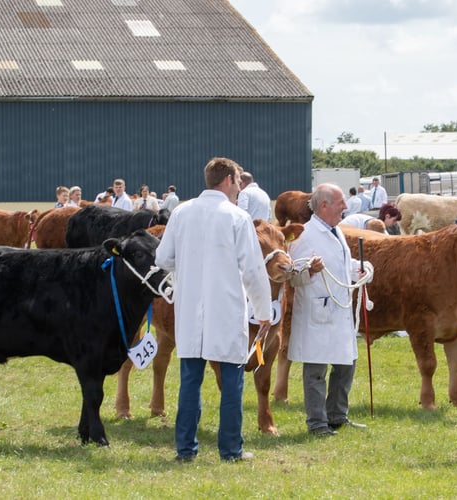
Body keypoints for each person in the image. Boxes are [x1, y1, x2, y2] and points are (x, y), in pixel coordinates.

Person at [155, 157, 272, 463]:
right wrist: (264, 310)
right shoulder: (237, 217)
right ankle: (231, 450)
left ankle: (185, 449)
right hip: (226, 309)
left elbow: (163, 258)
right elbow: (253, 270)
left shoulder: (181, 213)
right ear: (228, 181)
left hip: (190, 307)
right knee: (232, 383)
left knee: (190, 381)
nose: (240, 187)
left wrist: (187, 263)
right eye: (238, 181)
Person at [288, 183, 372, 437]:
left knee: (347, 363)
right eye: (341, 203)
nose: (346, 207)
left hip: (338, 309)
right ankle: (317, 422)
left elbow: (339, 264)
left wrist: (360, 267)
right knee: (316, 370)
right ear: (324, 205)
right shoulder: (304, 235)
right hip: (318, 311)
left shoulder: (335, 231)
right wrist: (308, 271)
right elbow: (293, 275)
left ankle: (336, 415)